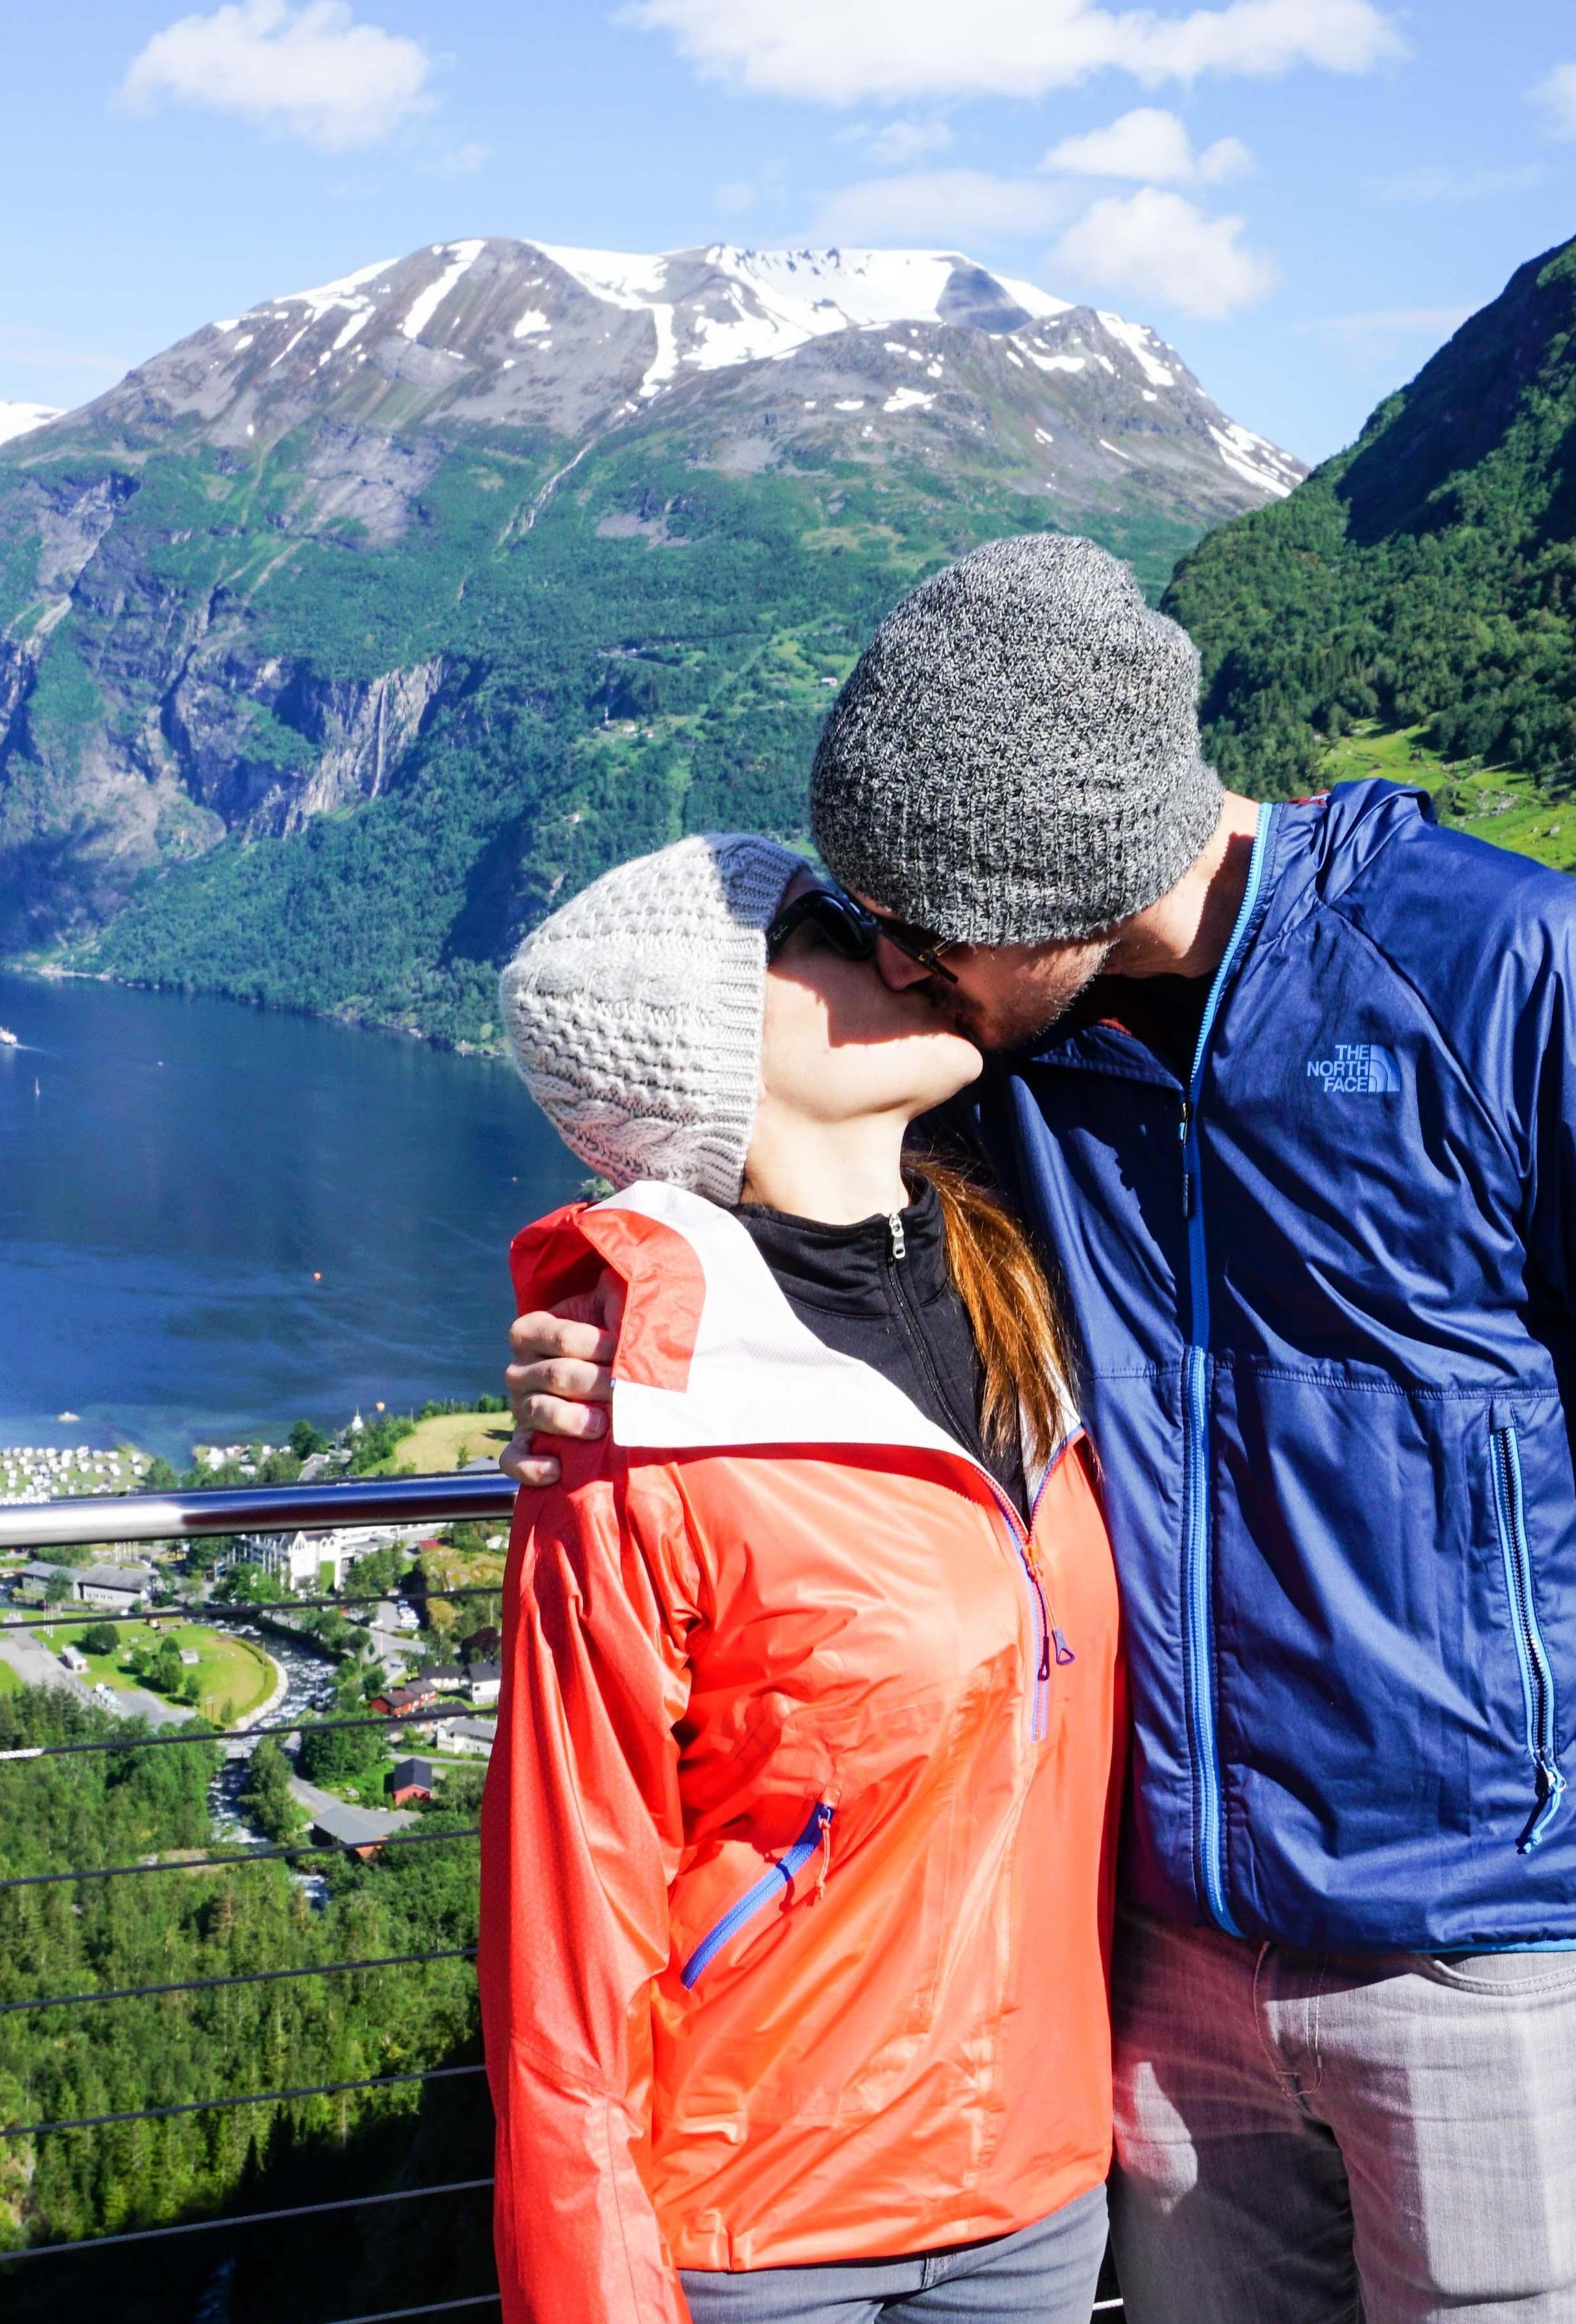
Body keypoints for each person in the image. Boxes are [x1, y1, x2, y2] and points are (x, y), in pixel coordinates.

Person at [504, 536, 1576, 2323]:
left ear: (1057, 890)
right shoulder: (1020, 1061)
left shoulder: (1518, 979)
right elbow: (773, 1205)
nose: (898, 970)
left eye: (922, 930)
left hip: (1496, 1967)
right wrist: (592, 1331)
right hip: (1163, 1990)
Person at [483, 831, 1124, 2324]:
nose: (903, 946)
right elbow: (566, 1937)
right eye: (829, 926)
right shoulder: (636, 1425)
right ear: (712, 1033)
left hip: (1035, 2188)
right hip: (762, 2231)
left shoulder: (1036, 1274)